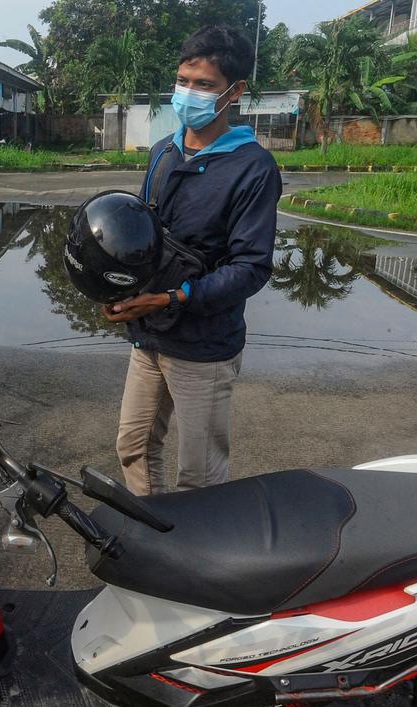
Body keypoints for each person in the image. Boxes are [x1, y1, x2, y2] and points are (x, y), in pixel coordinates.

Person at [103, 25, 281, 496]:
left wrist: (172, 297)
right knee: (135, 446)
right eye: (183, 80)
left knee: (198, 475)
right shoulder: (164, 152)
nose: (188, 93)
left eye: (204, 85)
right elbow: (142, 238)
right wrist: (119, 291)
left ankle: (198, 559)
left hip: (204, 346)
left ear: (234, 92)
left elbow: (251, 268)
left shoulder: (252, 167)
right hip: (149, 336)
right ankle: (154, 539)